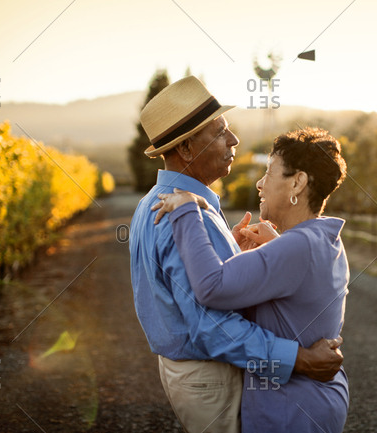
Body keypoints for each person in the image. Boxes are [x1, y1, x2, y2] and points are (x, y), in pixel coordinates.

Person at [129, 76, 343, 433]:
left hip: (191, 373)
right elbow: (210, 327)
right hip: (211, 374)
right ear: (185, 150)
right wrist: (300, 360)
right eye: (219, 132)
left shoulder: (152, 205)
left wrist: (232, 255)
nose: (234, 140)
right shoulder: (181, 215)